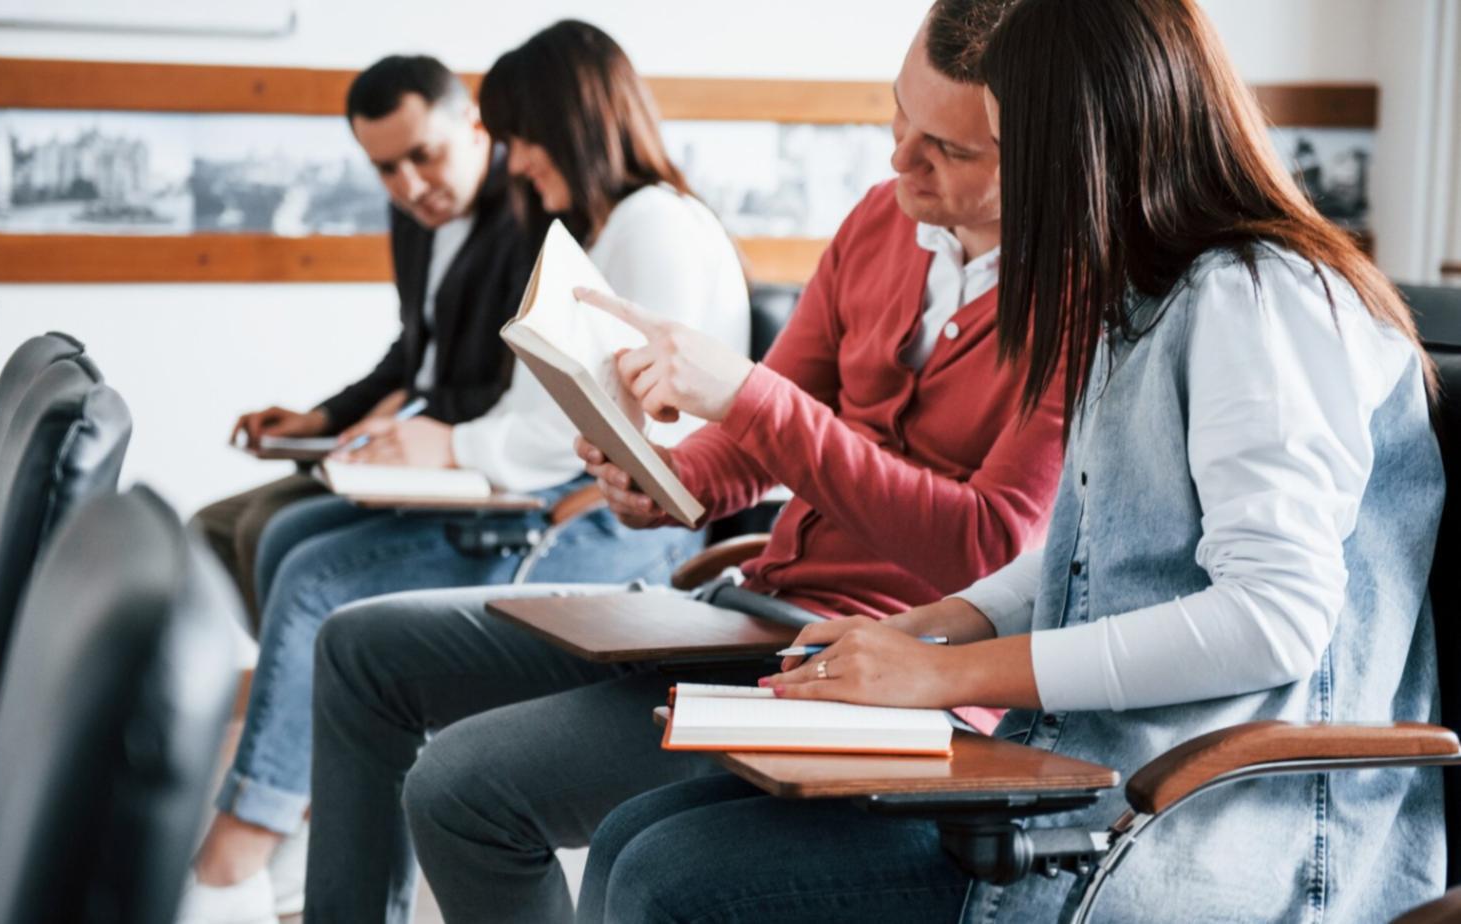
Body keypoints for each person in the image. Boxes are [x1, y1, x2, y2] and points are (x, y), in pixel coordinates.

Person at [579, 0, 1447, 920]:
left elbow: (1272, 619)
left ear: (1093, 141)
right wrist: (932, 627)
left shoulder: (1260, 301)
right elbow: (1095, 549)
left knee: (667, 875)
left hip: (1213, 823)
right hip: (1097, 777)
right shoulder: (1146, 295)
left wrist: (945, 677)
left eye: (1000, 151)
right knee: (636, 836)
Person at [305, 4, 1062, 921]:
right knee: (359, 647)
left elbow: (985, 547)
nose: (900, 161)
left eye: (948, 151)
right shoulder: (877, 222)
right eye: (900, 118)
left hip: (871, 664)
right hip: (748, 606)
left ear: (1048, 154)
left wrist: (751, 400)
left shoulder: (1076, 293)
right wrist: (667, 482)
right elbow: (756, 438)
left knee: (460, 790)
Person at [178, 21, 750, 924]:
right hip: (556, 492)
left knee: (319, 575)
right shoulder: (610, 226)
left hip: (594, 523)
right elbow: (523, 398)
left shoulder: (648, 228)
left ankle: (247, 846)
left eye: (518, 137)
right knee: (287, 541)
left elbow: (616, 428)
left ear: (567, 125)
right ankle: (287, 816)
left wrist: (455, 447)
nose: (513, 162)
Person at [191, 54, 534, 629]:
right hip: (403, 447)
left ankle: (321, 692)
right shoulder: (412, 216)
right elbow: (412, 353)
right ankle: (314, 688)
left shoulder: (531, 214)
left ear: (476, 127)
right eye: (386, 169)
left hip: (475, 456)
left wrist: (409, 414)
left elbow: (516, 387)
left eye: (424, 156)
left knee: (262, 529)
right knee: (209, 528)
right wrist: (321, 418)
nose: (410, 186)